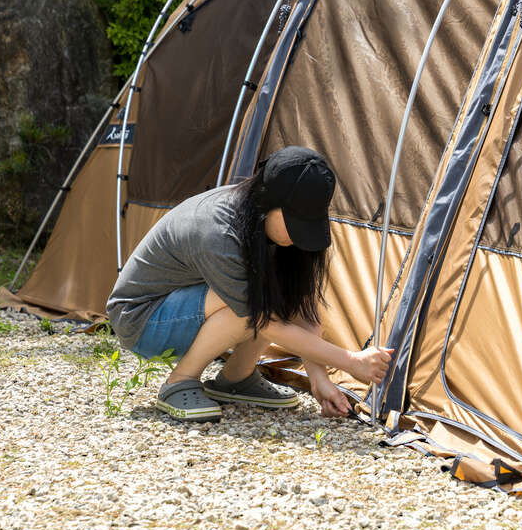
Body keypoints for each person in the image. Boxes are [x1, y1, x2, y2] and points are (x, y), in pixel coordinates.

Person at [107, 146, 394, 422]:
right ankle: (179, 382)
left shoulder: (261, 222)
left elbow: (300, 310)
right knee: (249, 307)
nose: (298, 238)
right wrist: (350, 361)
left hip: (184, 308)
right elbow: (262, 319)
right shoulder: (218, 231)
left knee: (268, 295)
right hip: (141, 319)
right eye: (296, 225)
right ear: (270, 203)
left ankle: (236, 379)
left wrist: (320, 381)